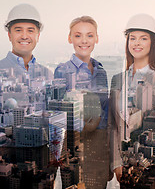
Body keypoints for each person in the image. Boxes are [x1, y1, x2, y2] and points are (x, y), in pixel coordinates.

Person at [0, 4, 64, 189]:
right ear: (9, 35)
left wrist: (51, 168)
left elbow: (57, 125)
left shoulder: (48, 76)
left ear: (38, 35)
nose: (24, 36)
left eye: (30, 30)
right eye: (18, 30)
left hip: (42, 177)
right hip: (5, 178)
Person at [109, 14, 155, 187]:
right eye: (133, 38)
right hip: (125, 168)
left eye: (143, 38)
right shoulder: (117, 79)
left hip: (153, 168)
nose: (137, 43)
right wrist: (116, 163)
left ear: (152, 43)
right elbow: (113, 125)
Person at [54, 16, 110, 188]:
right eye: (78, 35)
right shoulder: (62, 71)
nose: (84, 41)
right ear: (70, 38)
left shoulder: (101, 71)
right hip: (74, 147)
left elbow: (105, 115)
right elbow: (57, 114)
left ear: (97, 38)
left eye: (89, 35)